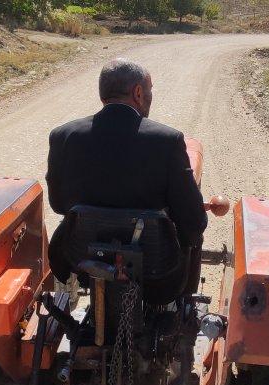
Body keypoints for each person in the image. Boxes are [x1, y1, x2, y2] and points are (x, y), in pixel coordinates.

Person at [44, 59, 207, 295]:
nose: (151, 96)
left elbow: (58, 205)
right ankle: (185, 303)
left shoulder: (63, 135)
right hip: (156, 269)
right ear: (138, 93)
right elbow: (194, 220)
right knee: (194, 232)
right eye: (150, 90)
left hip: (81, 260)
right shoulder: (167, 140)